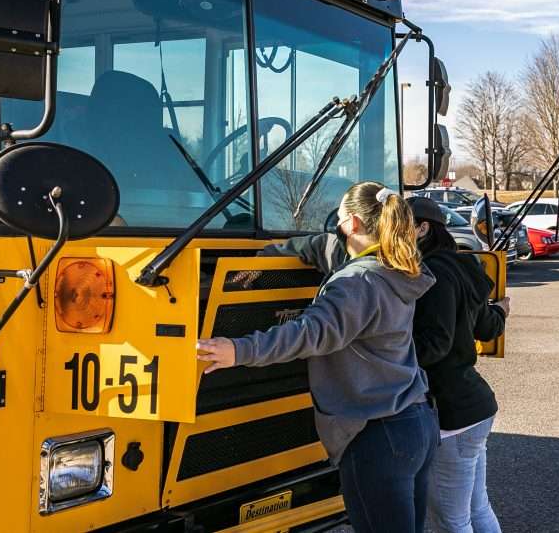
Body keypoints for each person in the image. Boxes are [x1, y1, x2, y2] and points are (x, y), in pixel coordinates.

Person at [197, 181, 439, 533]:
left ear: (352, 223)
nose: (334, 226)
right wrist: (281, 252)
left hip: (376, 436)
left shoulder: (356, 283)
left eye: (337, 218)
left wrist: (239, 349)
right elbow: (330, 252)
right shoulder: (395, 269)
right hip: (414, 423)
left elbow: (311, 332)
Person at [406, 196, 509, 533]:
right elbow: (486, 327)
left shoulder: (431, 275)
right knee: (476, 509)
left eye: (400, 225)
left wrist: (384, 352)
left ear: (422, 229)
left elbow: (435, 345)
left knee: (450, 521)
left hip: (451, 413)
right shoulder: (463, 267)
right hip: (475, 406)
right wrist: (502, 310)